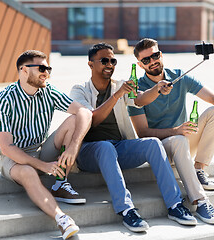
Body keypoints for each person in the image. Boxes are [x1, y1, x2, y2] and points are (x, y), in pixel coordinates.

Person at [70, 42, 198, 233]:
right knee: (105, 147)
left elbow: (139, 99)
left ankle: (175, 205)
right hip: (89, 152)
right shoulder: (79, 90)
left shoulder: (119, 85)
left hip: (119, 148)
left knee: (153, 144)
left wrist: (157, 89)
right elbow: (92, 120)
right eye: (104, 60)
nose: (110, 64)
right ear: (91, 64)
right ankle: (127, 209)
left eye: (113, 60)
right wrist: (117, 96)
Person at [128, 38, 214, 222]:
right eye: (146, 60)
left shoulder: (178, 76)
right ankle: (201, 202)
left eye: (155, 56)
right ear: (140, 64)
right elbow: (143, 132)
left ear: (161, 54)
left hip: (183, 141)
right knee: (178, 139)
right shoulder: (136, 88)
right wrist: (175, 130)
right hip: (160, 150)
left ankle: (199, 169)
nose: (152, 61)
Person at [0, 50, 92, 239]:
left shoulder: (49, 91)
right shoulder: (3, 100)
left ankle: (61, 183)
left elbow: (85, 112)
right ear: (24, 70)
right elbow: (7, 148)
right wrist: (43, 166)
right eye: (42, 68)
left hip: (40, 149)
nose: (47, 73)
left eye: (49, 68)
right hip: (13, 158)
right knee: (28, 172)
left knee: (73, 120)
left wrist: (73, 147)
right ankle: (62, 219)